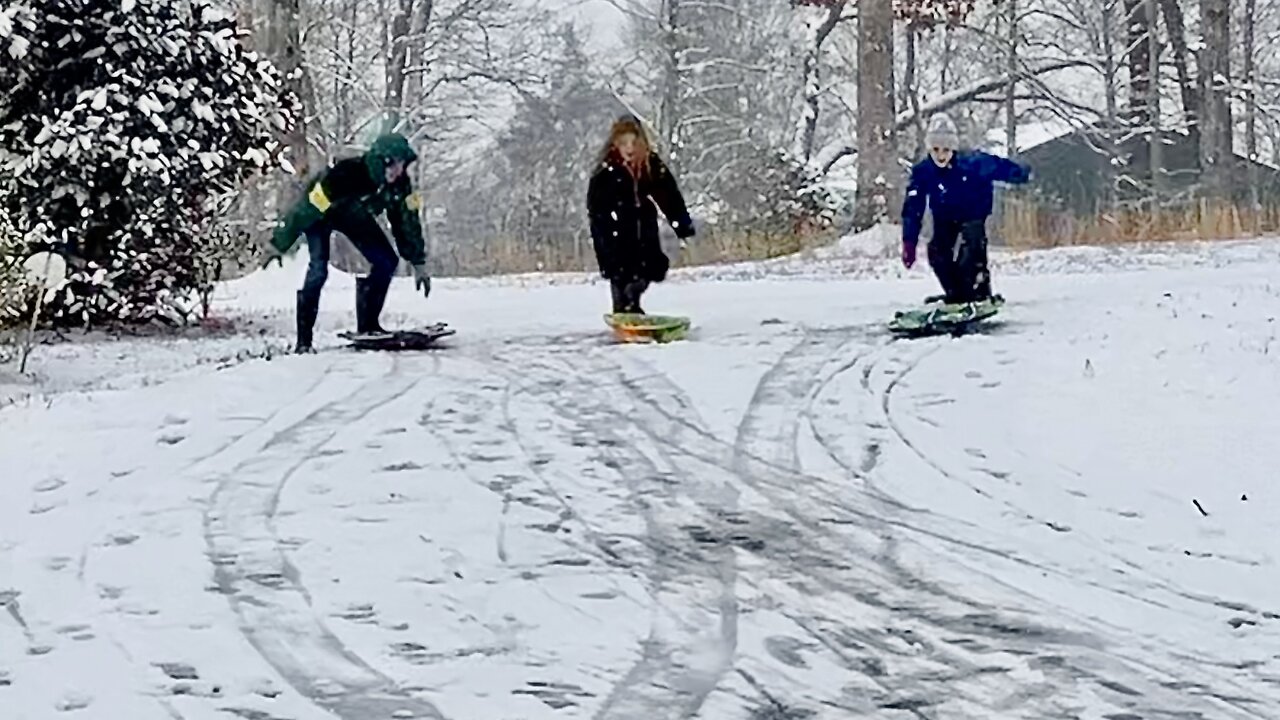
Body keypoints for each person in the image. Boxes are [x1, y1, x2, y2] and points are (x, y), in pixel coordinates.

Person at [265, 132, 431, 353]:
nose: (399, 171)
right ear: (382, 162)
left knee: (386, 261)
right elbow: (306, 209)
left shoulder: (400, 185)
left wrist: (417, 260)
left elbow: (407, 220)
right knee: (318, 270)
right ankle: (304, 342)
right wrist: (279, 244)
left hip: (354, 216)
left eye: (402, 165)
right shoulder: (345, 175)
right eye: (394, 165)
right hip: (320, 215)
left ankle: (369, 326)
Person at [901, 112, 1031, 304]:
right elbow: (913, 207)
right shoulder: (923, 171)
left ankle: (979, 289)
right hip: (944, 216)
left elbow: (1001, 167)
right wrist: (909, 242)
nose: (941, 155)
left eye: (946, 150)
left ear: (953, 148)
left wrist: (1022, 174)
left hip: (973, 214)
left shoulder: (973, 162)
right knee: (937, 252)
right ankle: (956, 293)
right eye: (935, 150)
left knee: (971, 250)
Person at [587, 114, 695, 315]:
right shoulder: (605, 171)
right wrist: (604, 236)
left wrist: (682, 224)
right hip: (615, 230)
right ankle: (624, 312)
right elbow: (596, 209)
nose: (629, 148)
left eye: (634, 142)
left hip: (644, 227)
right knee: (619, 273)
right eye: (623, 143)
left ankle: (632, 303)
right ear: (615, 144)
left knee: (646, 271)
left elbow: (669, 195)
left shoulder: (650, 164)